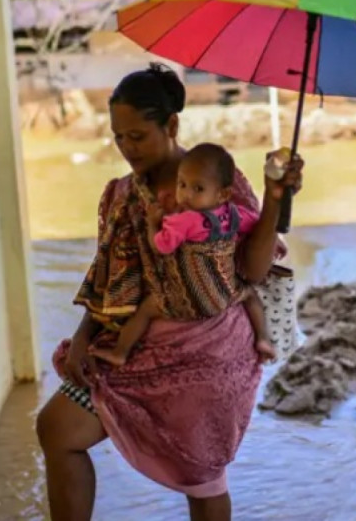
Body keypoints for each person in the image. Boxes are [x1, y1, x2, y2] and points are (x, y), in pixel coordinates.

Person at [35, 63, 304, 521]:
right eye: (119, 137)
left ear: (172, 125)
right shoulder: (120, 195)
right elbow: (109, 277)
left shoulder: (220, 181)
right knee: (57, 428)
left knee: (200, 479)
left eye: (137, 136)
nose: (126, 148)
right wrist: (82, 338)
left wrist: (275, 198)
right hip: (136, 346)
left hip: (211, 351)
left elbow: (253, 271)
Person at [88, 142, 277, 367]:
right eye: (182, 184)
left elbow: (161, 247)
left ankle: (120, 351)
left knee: (146, 310)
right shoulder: (235, 215)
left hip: (187, 302)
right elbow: (257, 225)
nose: (186, 195)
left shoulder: (184, 221)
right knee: (251, 296)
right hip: (224, 296)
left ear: (223, 193)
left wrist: (153, 225)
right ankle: (264, 338)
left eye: (197, 189)